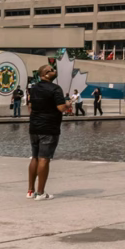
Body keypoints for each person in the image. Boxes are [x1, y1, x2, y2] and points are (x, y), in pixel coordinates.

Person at [27, 64, 72, 200]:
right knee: (44, 159)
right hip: (49, 128)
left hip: (34, 127)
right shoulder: (55, 89)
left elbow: (30, 106)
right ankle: (40, 193)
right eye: (53, 70)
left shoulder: (33, 88)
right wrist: (68, 104)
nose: (55, 71)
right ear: (46, 73)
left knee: (35, 157)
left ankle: (30, 190)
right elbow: (61, 108)